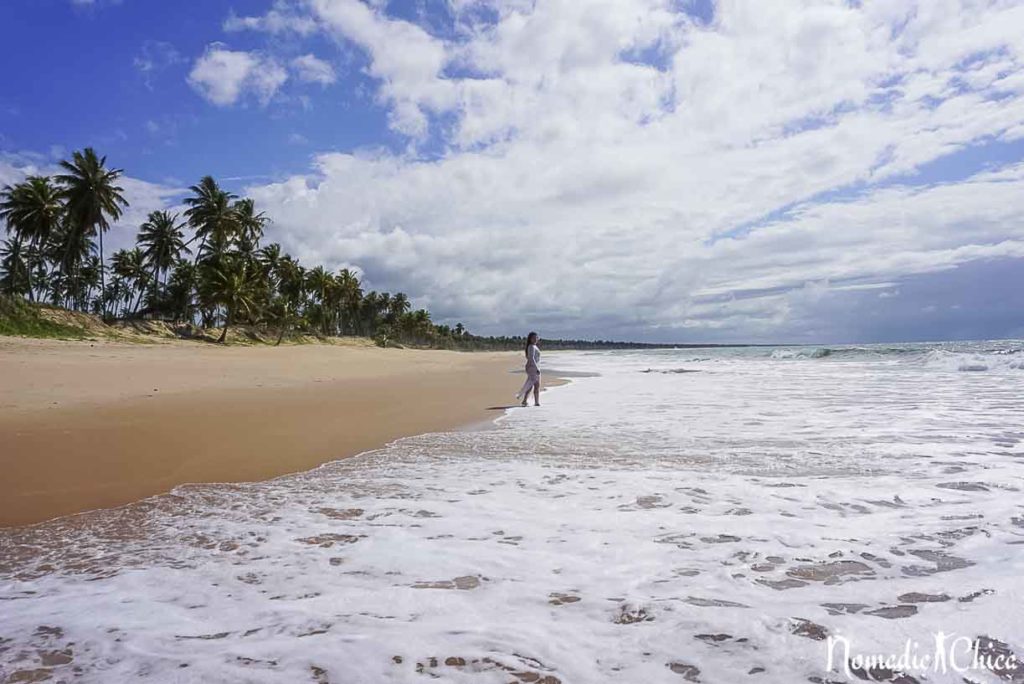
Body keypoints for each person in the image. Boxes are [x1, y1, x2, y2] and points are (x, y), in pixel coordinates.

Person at [516, 331, 542, 407]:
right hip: (533, 367)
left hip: (535, 367)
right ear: (530, 339)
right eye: (533, 338)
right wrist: (536, 368)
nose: (535, 339)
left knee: (534, 385)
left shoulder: (534, 346)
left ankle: (534, 401)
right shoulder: (531, 346)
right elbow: (531, 358)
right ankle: (526, 400)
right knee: (532, 384)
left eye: (536, 338)